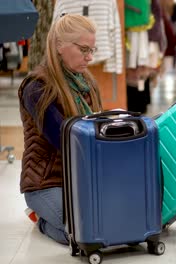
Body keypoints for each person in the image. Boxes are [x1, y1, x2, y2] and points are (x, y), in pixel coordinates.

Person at [18, 14, 102, 245]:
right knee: (79, 235)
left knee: (108, 224)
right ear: (59, 46)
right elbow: (64, 139)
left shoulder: (86, 82)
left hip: (81, 176)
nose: (90, 57)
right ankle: (41, 220)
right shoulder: (37, 86)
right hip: (46, 182)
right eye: (84, 49)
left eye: (92, 49)